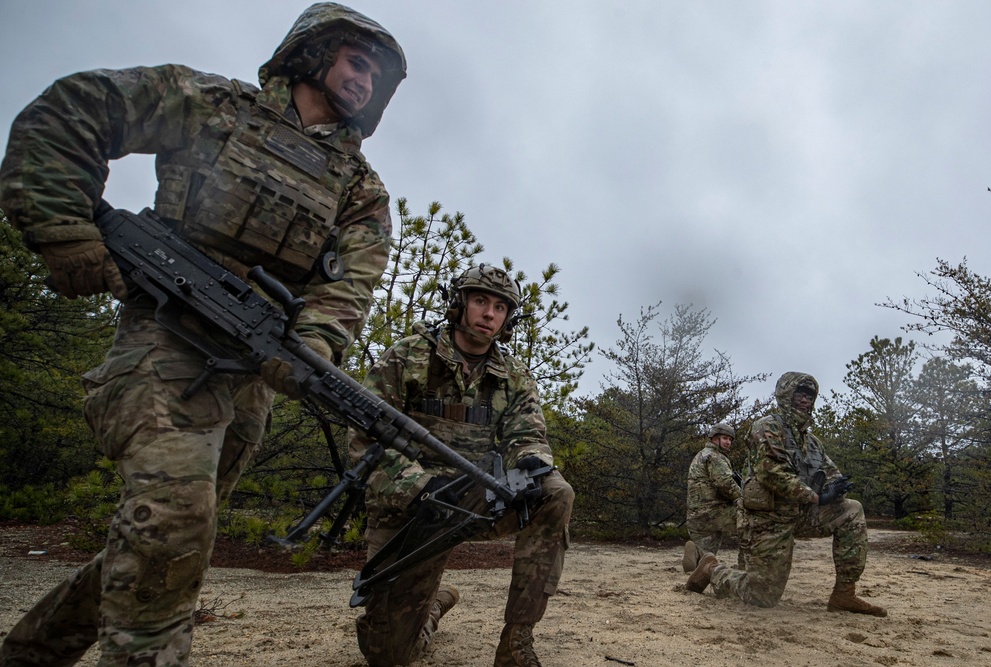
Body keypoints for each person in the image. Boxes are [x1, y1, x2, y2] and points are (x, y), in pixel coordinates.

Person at [0, 4, 406, 665]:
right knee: (173, 519)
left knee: (167, 533)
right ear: (313, 52)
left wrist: (316, 345)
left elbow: (348, 285)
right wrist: (63, 228)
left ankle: (31, 651)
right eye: (357, 61)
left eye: (377, 76)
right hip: (161, 338)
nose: (365, 81)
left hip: (250, 371)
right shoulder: (214, 105)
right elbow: (73, 108)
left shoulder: (360, 190)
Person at [349, 263, 575, 667]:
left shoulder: (514, 376)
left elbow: (528, 437)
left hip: (473, 501)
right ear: (459, 304)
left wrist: (531, 464)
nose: (489, 313)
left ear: (508, 319)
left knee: (554, 492)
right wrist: (417, 486)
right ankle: (433, 608)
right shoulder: (407, 357)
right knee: (390, 656)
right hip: (411, 510)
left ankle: (516, 644)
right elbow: (367, 437)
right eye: (481, 301)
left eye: (501, 307)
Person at [685, 372, 887, 617]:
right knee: (762, 596)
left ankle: (844, 594)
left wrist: (836, 487)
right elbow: (773, 473)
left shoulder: (812, 442)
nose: (805, 401)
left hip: (797, 514)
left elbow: (829, 470)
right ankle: (712, 570)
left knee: (851, 509)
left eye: (809, 396)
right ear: (785, 395)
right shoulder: (766, 428)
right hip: (766, 521)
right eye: (799, 394)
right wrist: (815, 497)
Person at [681, 422, 742, 573]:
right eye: (725, 438)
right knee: (753, 522)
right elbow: (725, 483)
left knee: (707, 550)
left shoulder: (700, 456)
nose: (728, 442)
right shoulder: (715, 457)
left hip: (696, 516)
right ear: (715, 439)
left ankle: (696, 553)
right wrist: (743, 499)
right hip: (715, 512)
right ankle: (747, 562)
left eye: (730, 439)